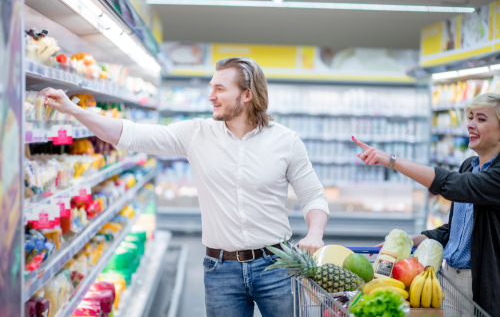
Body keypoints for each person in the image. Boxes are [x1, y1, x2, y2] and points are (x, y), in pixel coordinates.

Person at [38, 57, 330, 317]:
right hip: (221, 271)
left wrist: (315, 233)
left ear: (247, 95)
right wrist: (73, 109)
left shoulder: (286, 141)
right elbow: (131, 134)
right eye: (211, 87)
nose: (210, 97)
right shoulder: (196, 133)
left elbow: (313, 196)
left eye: (219, 89)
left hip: (276, 267)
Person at [353, 93, 500, 316]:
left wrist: (391, 161)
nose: (470, 124)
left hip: (480, 283)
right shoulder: (468, 166)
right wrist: (410, 240)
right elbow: (455, 230)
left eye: (481, 119)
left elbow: (449, 184)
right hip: (446, 278)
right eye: (470, 117)